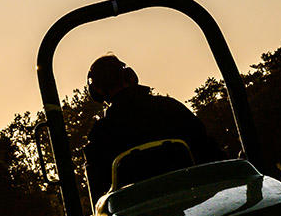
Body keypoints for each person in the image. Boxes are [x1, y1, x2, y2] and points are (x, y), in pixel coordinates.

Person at [83, 53, 225, 198]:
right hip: (192, 200)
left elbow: (100, 195)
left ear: (97, 91)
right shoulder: (171, 108)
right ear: (130, 76)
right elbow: (211, 154)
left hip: (136, 212)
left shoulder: (100, 134)